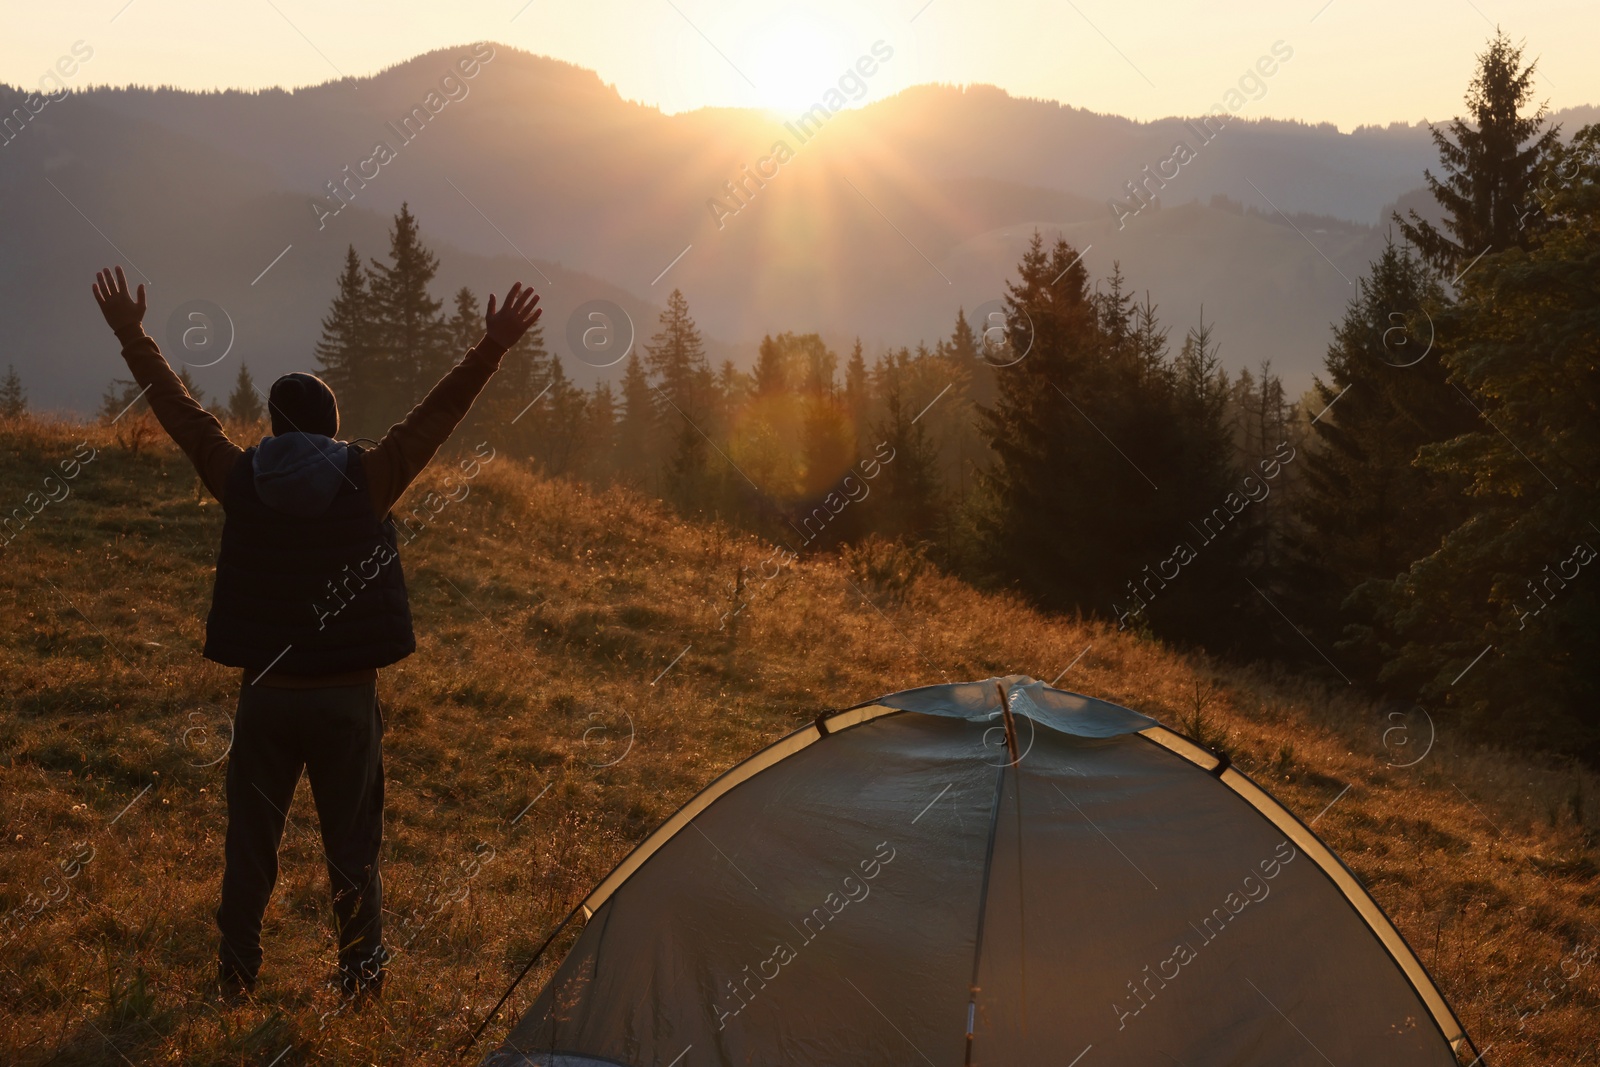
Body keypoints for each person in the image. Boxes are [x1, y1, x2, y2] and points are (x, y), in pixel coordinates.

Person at [91, 265, 541, 1001]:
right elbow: (435, 416)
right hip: (345, 703)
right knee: (353, 850)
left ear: (270, 426)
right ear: (335, 427)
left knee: (251, 848)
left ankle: (235, 977)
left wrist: (130, 332)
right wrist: (491, 345)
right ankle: (361, 981)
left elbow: (177, 411)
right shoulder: (369, 478)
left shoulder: (240, 479)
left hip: (266, 698)